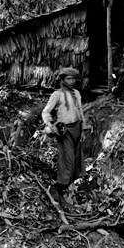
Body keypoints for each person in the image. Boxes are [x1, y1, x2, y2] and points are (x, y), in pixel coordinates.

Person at [42, 67, 90, 203]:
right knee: (67, 158)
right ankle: (60, 187)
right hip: (65, 131)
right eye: (68, 79)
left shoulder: (77, 93)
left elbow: (80, 113)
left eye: (73, 79)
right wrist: (51, 125)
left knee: (77, 159)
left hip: (77, 129)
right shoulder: (57, 95)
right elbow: (46, 112)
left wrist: (83, 130)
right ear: (62, 80)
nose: (71, 81)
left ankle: (71, 187)